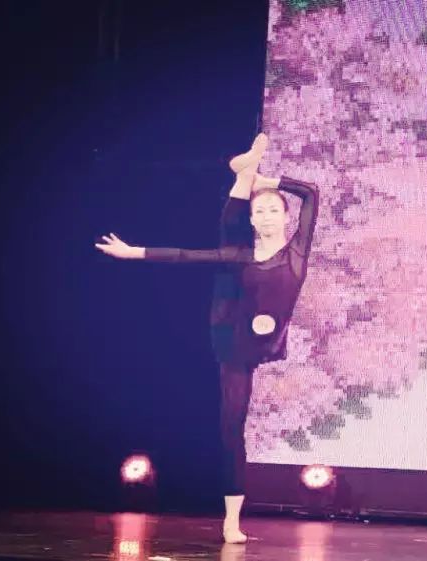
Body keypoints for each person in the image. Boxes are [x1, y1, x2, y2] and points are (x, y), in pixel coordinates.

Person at [95, 133, 319, 543]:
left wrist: (266, 181)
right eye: (260, 211)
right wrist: (135, 252)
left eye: (274, 210)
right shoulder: (240, 255)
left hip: (262, 341)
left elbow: (311, 193)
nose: (268, 216)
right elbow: (185, 256)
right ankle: (231, 520)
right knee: (231, 426)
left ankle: (245, 173)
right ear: (254, 220)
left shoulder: (297, 252)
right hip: (231, 336)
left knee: (227, 241)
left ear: (285, 217)